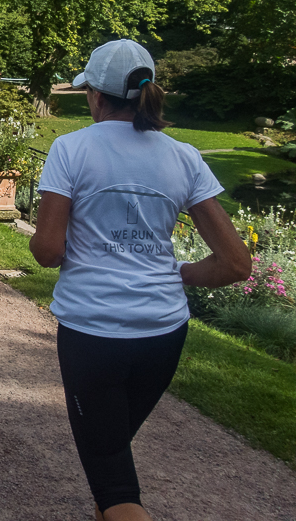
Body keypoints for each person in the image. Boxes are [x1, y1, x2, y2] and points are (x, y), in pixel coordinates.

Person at [29, 39, 251, 521]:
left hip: (94, 333)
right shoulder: (184, 156)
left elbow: (47, 251)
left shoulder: (71, 148)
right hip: (164, 335)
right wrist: (176, 274)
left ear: (94, 95)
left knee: (114, 481)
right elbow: (236, 264)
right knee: (111, 451)